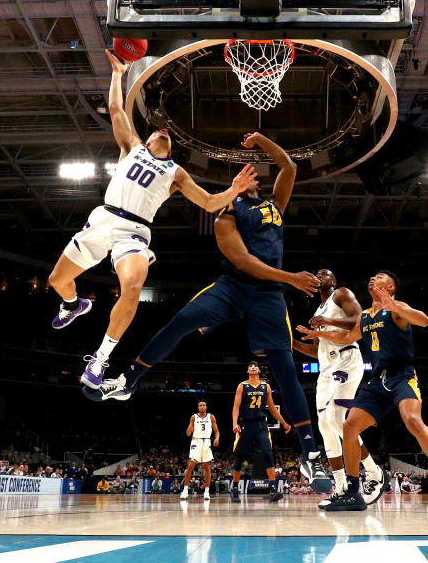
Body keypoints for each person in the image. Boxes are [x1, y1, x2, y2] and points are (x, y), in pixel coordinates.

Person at [87, 131, 329, 493]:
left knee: (284, 369)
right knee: (181, 321)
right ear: (234, 184)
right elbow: (244, 261)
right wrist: (290, 278)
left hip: (268, 295)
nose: (252, 175)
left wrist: (261, 139)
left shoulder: (275, 205)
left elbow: (289, 165)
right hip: (235, 285)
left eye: (253, 174)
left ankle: (310, 456)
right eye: (243, 174)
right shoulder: (225, 216)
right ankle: (127, 382)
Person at [46, 50, 257, 389]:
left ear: (169, 149)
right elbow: (116, 110)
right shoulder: (131, 146)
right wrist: (117, 74)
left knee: (132, 287)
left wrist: (233, 189)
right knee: (57, 280)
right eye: (158, 131)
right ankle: (74, 304)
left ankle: (100, 360)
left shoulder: (176, 172)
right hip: (102, 220)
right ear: (146, 140)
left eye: (168, 135)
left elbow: (208, 203)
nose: (163, 132)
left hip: (134, 233)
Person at [297, 271, 428, 513]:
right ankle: (354, 493)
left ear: (389, 287)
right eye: (372, 277)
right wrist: (319, 334)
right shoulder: (366, 316)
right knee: (348, 426)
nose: (372, 279)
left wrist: (393, 304)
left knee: (412, 420)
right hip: (378, 381)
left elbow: (424, 320)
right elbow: (347, 336)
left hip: (402, 376)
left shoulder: (397, 308)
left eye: (379, 277)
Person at [292, 268, 386, 508]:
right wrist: (290, 343)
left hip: (346, 359)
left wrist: (329, 321)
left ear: (333, 280)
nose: (319, 275)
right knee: (325, 426)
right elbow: (317, 351)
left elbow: (360, 321)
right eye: (317, 274)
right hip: (326, 368)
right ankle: (342, 487)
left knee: (336, 418)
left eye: (324, 273)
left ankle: (374, 472)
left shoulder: (341, 294)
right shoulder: (317, 312)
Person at [229, 362, 291, 503]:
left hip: (261, 424)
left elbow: (272, 408)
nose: (252, 367)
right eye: (250, 366)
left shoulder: (266, 386)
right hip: (246, 424)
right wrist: (234, 423)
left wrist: (283, 422)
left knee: (268, 453)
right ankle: (235, 488)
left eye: (255, 366)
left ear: (258, 370)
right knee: (241, 457)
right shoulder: (242, 386)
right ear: (247, 370)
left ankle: (273, 490)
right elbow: (236, 406)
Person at [181, 400, 220, 501]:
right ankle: (185, 490)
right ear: (198, 407)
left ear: (206, 407)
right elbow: (188, 434)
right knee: (191, 464)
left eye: (203, 405)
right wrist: (189, 430)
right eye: (200, 405)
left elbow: (216, 431)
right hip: (196, 441)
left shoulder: (211, 417)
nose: (202, 407)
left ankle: (206, 492)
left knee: (207, 466)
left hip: (207, 441)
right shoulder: (194, 417)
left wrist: (216, 438)